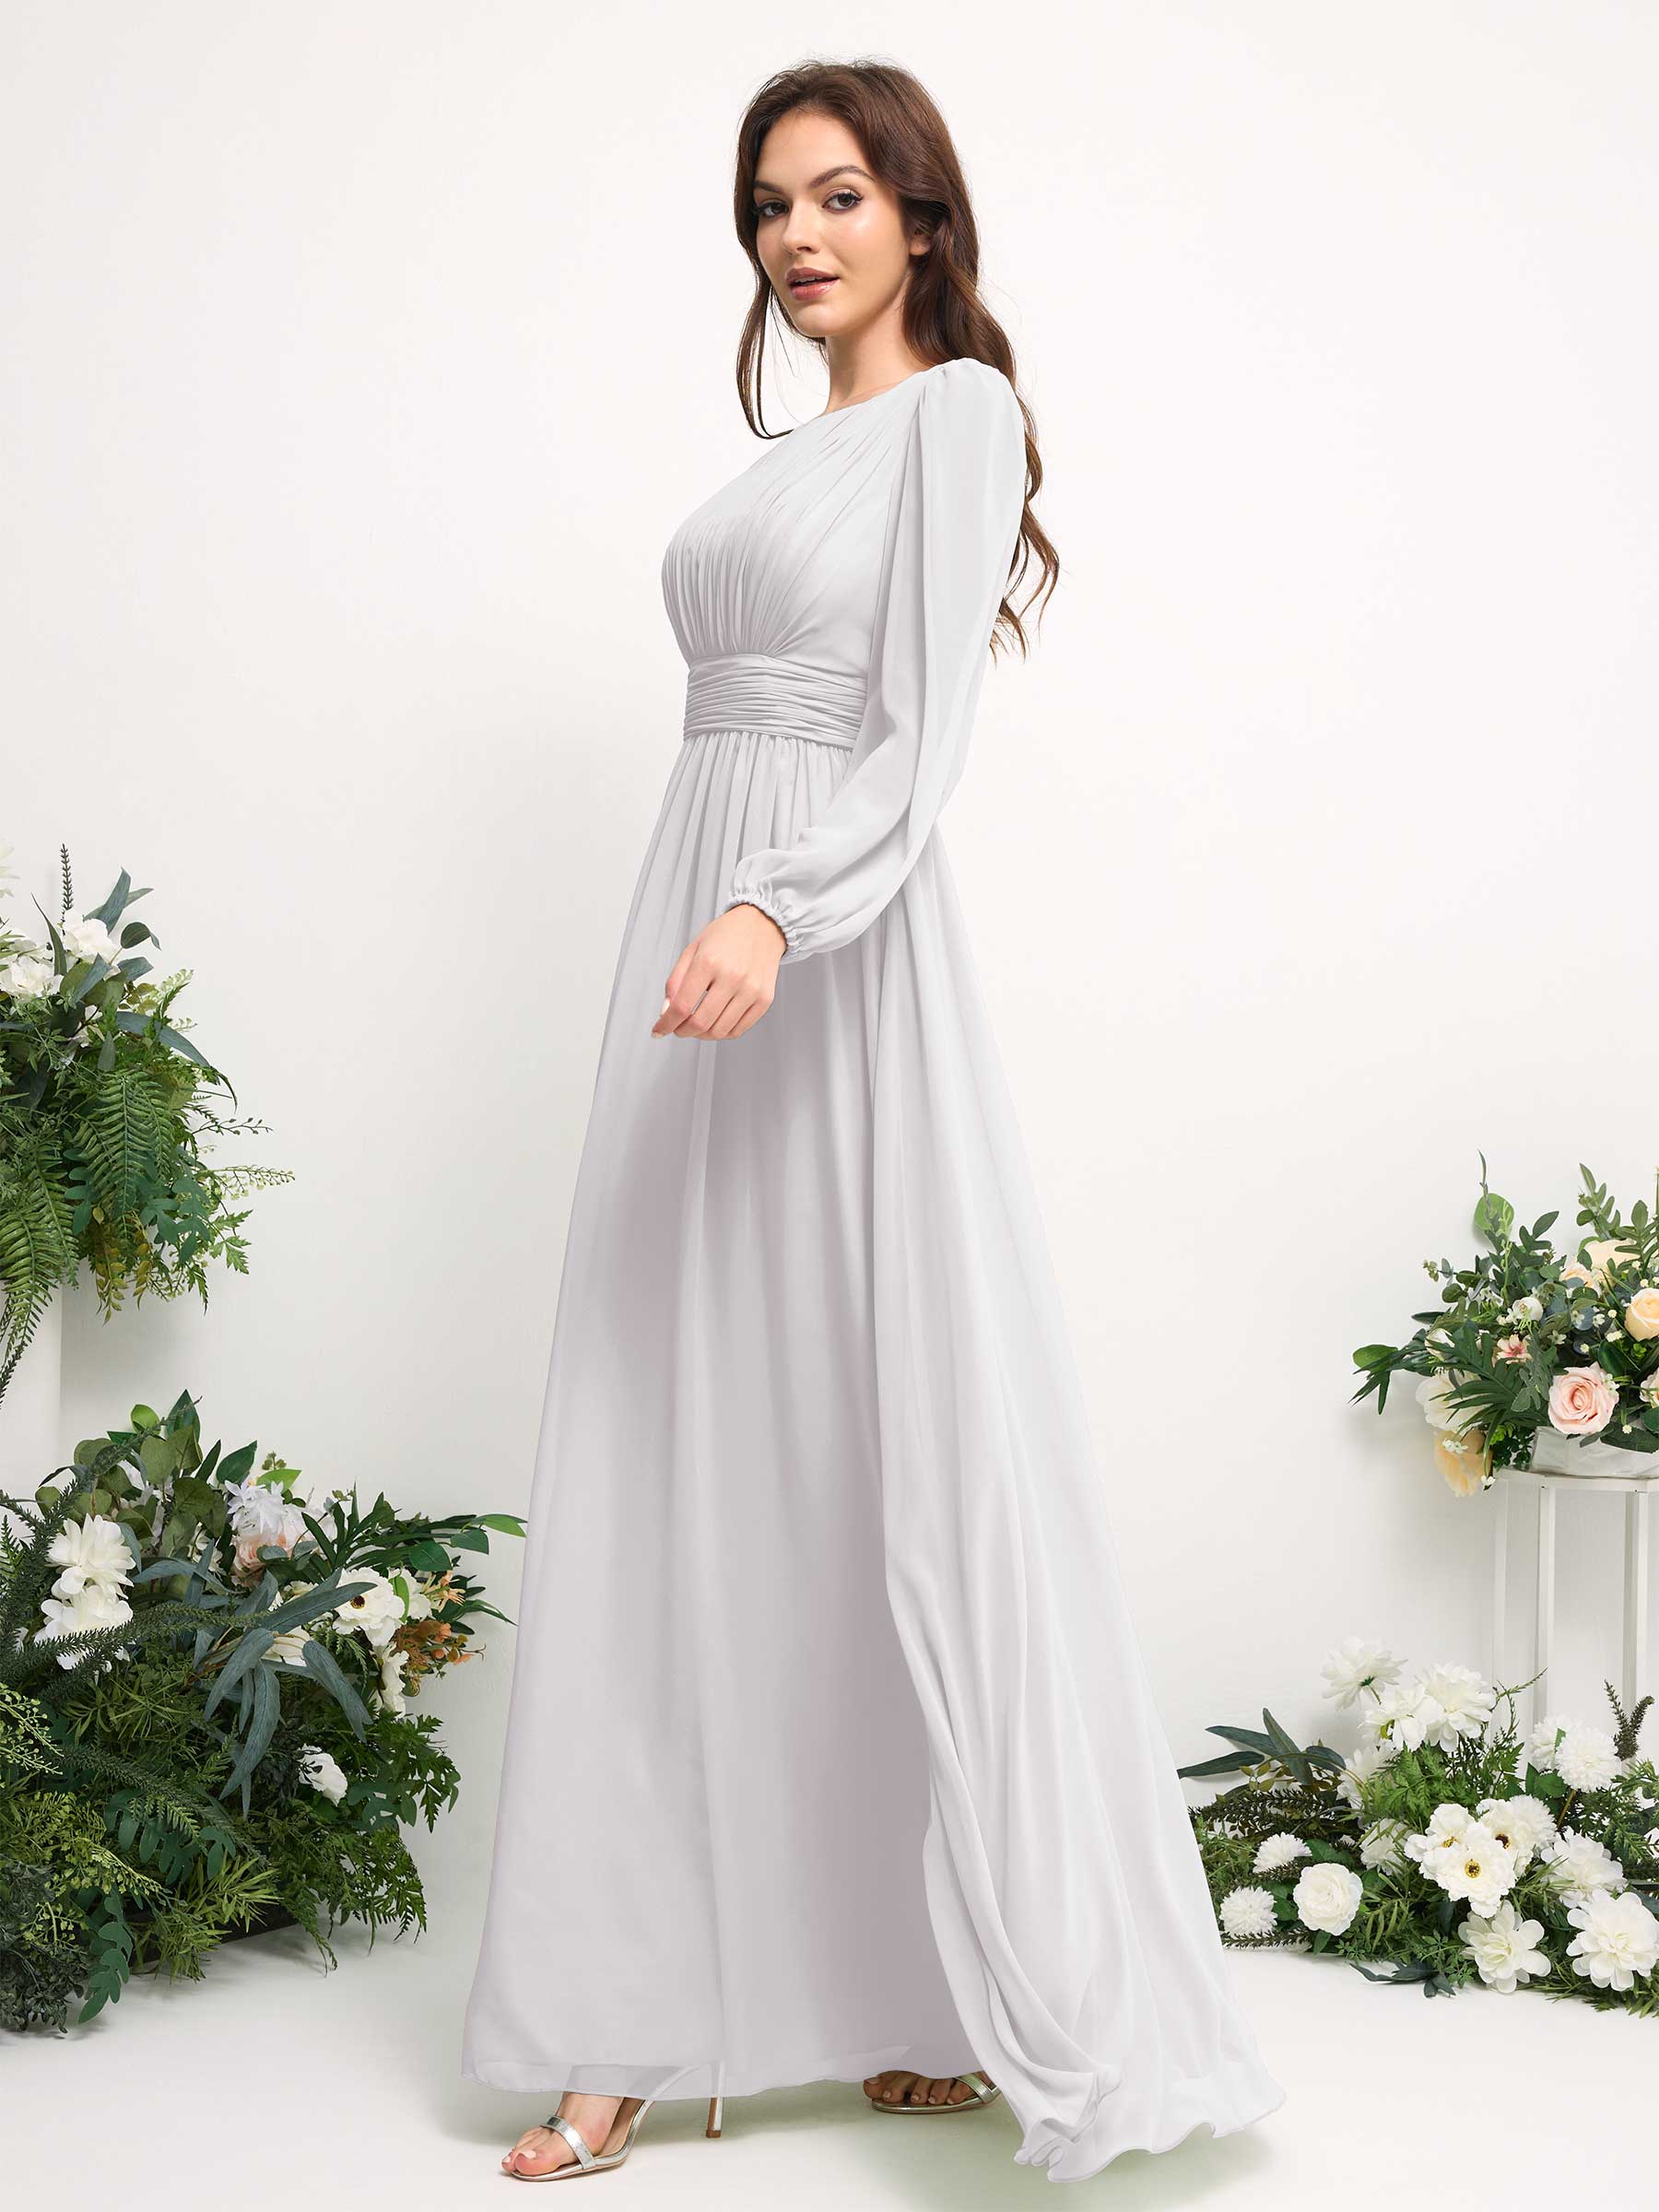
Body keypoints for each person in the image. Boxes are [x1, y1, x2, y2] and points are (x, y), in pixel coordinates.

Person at [462, 56, 1288, 2187]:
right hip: (696, 931)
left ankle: (929, 1993)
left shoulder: (956, 416)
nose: (798, 236)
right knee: (672, 1438)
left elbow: (919, 744)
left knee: (877, 1438)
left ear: (920, 216)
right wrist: (721, 904)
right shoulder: (790, 457)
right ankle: (631, 2014)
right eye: (769, 205)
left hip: (821, 946)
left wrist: (778, 906)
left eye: (838, 195)